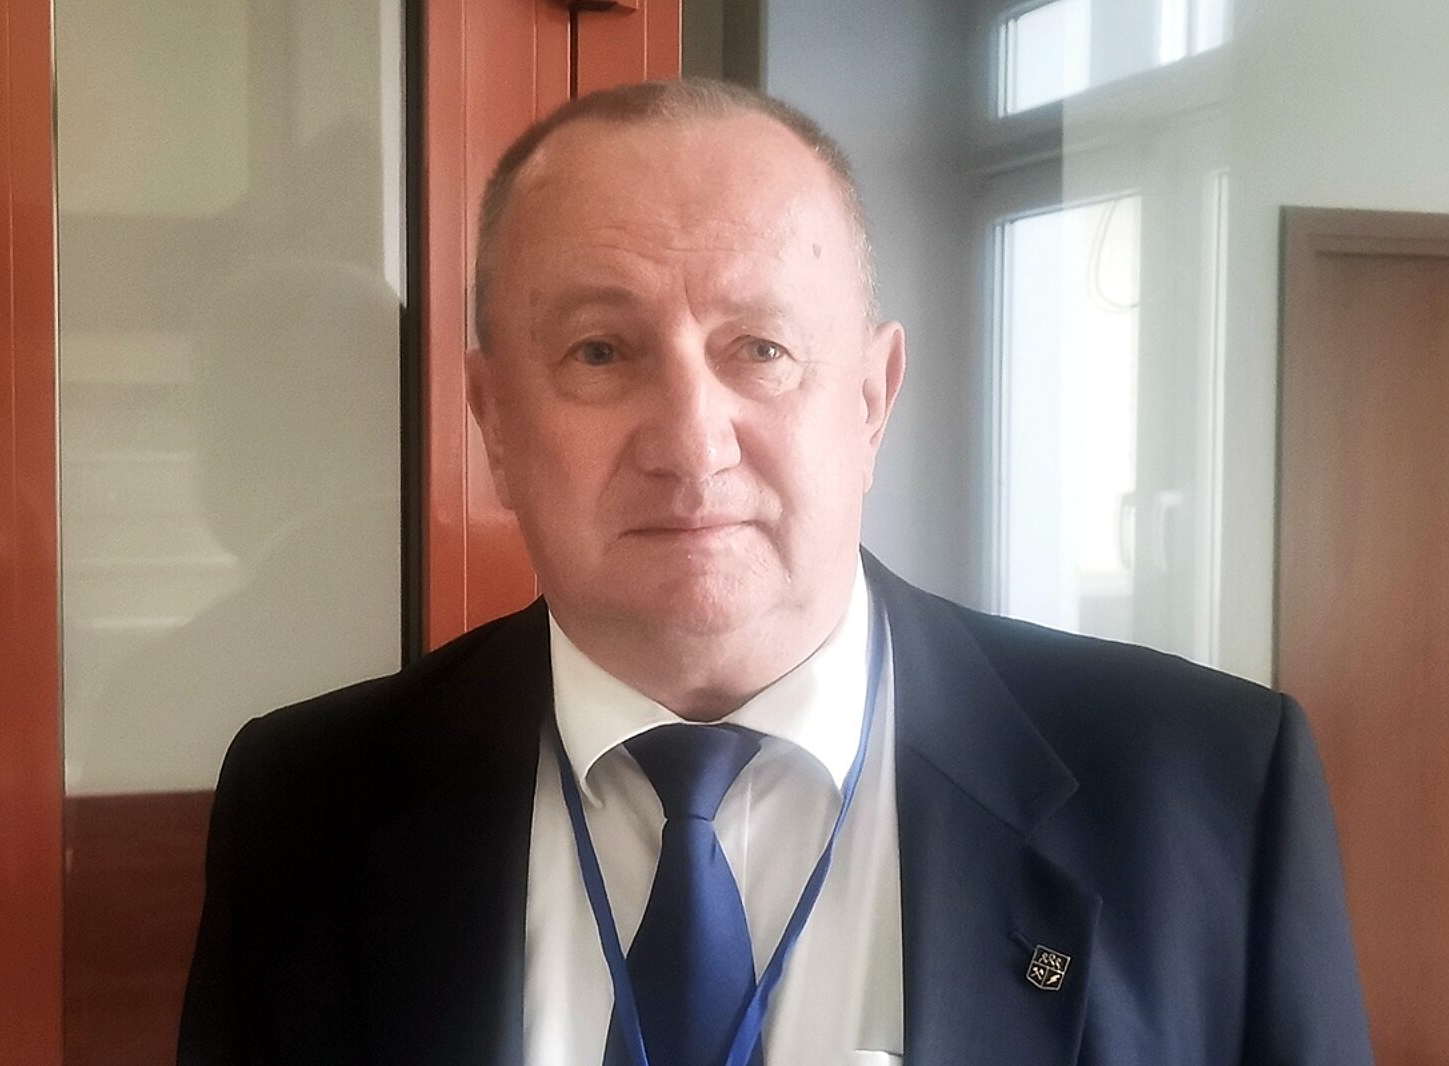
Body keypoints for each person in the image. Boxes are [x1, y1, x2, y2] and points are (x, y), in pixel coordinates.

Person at [179, 79, 1372, 1065]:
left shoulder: (1204, 790)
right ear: (492, 417)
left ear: (870, 398)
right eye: (600, 351)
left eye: (760, 348)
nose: (690, 441)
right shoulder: (306, 808)